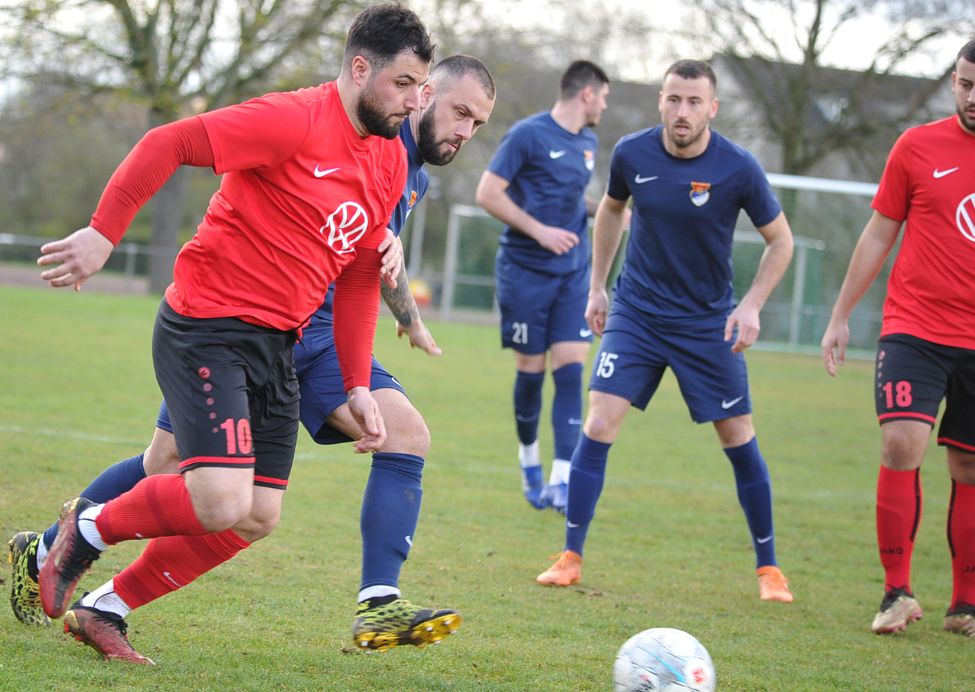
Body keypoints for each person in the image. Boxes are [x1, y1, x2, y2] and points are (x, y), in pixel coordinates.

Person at [24, 4, 437, 665]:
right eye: (405, 83)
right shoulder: (293, 119)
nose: (416, 101)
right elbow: (167, 142)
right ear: (360, 69)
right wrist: (104, 233)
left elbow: (361, 280)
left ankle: (104, 608)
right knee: (218, 498)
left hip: (277, 345)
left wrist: (358, 383)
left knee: (256, 515)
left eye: (422, 86)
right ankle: (88, 528)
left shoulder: (388, 158)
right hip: (207, 326)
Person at [535, 59, 796, 604]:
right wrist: (597, 286)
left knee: (737, 435)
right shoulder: (632, 153)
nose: (682, 111)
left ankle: (770, 569)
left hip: (706, 322)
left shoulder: (738, 167)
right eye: (674, 99)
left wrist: (751, 305)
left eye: (694, 102)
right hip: (638, 313)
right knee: (599, 420)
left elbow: (781, 241)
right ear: (660, 100)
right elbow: (611, 211)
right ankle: (570, 557)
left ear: (712, 108)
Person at [820, 40, 975, 638]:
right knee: (901, 443)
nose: (972, 96)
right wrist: (840, 314)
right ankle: (897, 592)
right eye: (965, 84)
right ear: (954, 81)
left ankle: (965, 604)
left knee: (968, 464)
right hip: (915, 328)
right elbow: (879, 233)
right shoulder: (916, 146)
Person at [475, 60, 612, 514]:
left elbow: (571, 199)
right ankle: (529, 460)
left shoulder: (588, 142)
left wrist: (609, 212)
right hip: (525, 273)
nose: (604, 106)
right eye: (604, 97)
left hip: (573, 273)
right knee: (531, 374)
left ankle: (561, 480)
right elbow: (487, 193)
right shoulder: (527, 135)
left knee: (571, 370)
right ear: (587, 93)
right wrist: (540, 231)